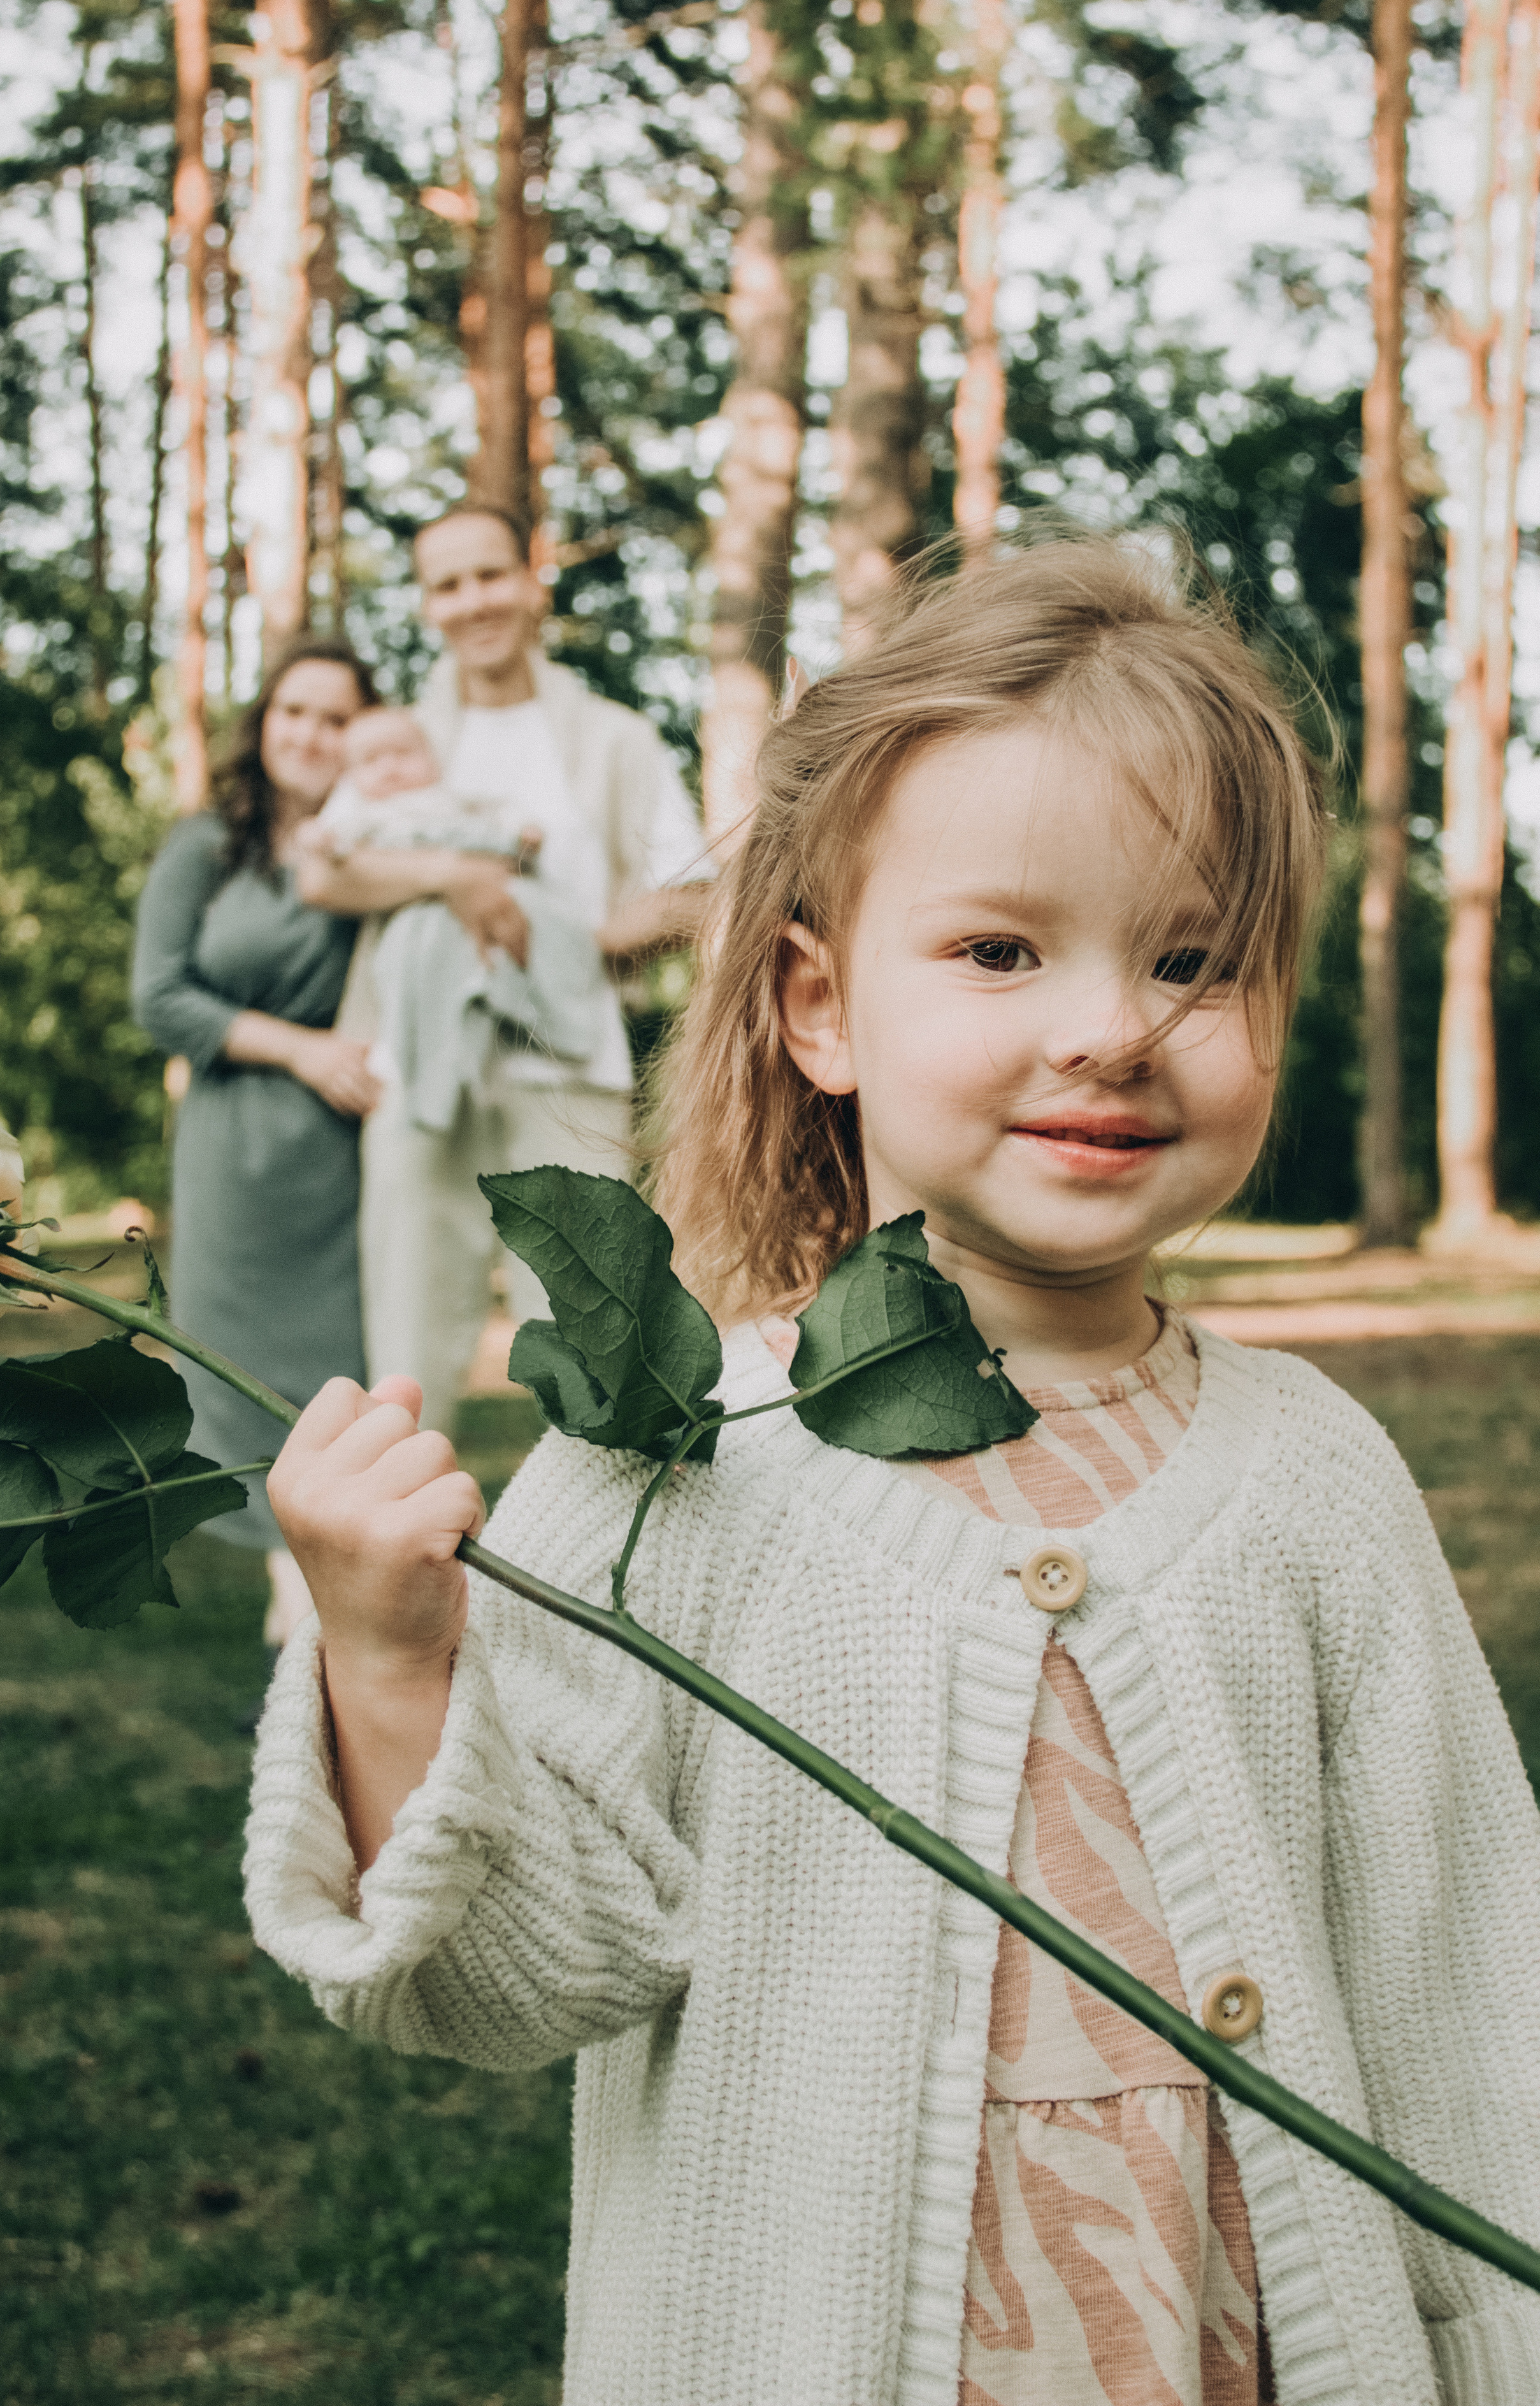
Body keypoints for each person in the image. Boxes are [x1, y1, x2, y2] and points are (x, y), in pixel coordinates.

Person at [246, 538, 1540, 2404]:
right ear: (816, 1006)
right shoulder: (672, 1473)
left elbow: (1467, 2002)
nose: (1108, 1027)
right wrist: (387, 1663)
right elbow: (510, 1978)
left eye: (1190, 959)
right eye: (999, 949)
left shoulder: (1314, 1483)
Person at [293, 500, 713, 1435]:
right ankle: (405, 1521)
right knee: (407, 1343)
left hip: (565, 1064)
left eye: (489, 574)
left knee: (596, 1336)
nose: (472, 600)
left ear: (532, 580)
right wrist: (456, 878)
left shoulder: (613, 737)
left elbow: (691, 895)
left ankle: (604, 1521)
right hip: (415, 1067)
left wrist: (560, 940)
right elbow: (324, 871)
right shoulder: (399, 737)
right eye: (446, 585)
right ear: (426, 605)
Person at [132, 635, 379, 1659]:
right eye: (294, 712)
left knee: (339, 1392)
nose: (311, 735)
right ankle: (301, 1636)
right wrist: (301, 1049)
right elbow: (159, 996)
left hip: (344, 1160)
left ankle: (313, 1638)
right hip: (235, 1150)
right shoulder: (206, 846)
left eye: (335, 718)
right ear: (264, 724)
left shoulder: (377, 850)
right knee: (239, 1387)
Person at [307, 705, 600, 1128]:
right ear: (351, 779)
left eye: (403, 754)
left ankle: (558, 1021)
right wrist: (318, 838)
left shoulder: (453, 799)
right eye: (371, 761)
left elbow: (504, 818)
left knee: (548, 926)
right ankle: (437, 1085)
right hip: (423, 916)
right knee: (412, 966)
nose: (390, 768)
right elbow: (329, 847)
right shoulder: (366, 814)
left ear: (432, 759)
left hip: (497, 890)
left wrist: (523, 834)